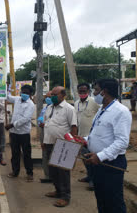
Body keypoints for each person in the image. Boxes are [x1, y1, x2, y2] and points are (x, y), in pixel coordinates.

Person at [76, 79, 132, 213]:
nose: (94, 93)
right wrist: (84, 140)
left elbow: (122, 141)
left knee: (114, 201)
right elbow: (98, 134)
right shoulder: (102, 110)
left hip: (111, 164)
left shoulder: (120, 111)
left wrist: (100, 156)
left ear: (104, 92)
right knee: (101, 199)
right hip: (98, 164)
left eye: (96, 90)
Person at [43, 86, 77, 207]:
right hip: (49, 143)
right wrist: (44, 141)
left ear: (63, 95)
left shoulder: (69, 109)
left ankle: (65, 196)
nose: (52, 97)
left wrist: (72, 147)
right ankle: (58, 191)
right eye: (51, 94)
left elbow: (73, 128)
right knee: (53, 172)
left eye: (55, 94)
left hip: (64, 145)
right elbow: (47, 124)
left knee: (63, 173)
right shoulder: (49, 107)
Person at [5, 85, 35, 182]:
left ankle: (29, 173)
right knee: (15, 153)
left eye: (26, 93)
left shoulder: (31, 105)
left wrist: (12, 125)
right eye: (23, 92)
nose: (24, 94)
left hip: (24, 133)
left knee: (26, 154)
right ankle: (15, 171)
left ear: (30, 94)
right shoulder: (17, 99)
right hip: (14, 133)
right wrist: (4, 87)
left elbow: (26, 119)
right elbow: (7, 97)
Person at [74, 83, 100, 190]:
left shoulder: (94, 102)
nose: (82, 93)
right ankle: (89, 176)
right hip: (81, 136)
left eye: (84, 91)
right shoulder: (76, 103)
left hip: (91, 137)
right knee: (85, 159)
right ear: (78, 92)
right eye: (80, 91)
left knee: (92, 159)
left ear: (88, 91)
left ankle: (94, 181)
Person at [38, 91, 53, 183]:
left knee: (52, 155)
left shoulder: (58, 108)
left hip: (51, 133)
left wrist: (45, 124)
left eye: (50, 97)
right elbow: (40, 118)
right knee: (45, 154)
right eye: (46, 97)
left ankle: (53, 177)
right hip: (44, 132)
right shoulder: (46, 108)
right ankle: (47, 175)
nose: (48, 99)